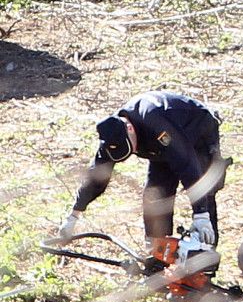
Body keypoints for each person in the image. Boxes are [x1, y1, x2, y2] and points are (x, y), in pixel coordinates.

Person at [59, 91, 227, 265]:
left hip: (196, 129)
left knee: (203, 187)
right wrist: (73, 216)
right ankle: (158, 254)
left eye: (130, 148)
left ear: (130, 129)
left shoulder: (154, 119)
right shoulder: (112, 133)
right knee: (154, 196)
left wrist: (201, 214)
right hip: (160, 147)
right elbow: (96, 178)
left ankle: (204, 261)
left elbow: (186, 163)